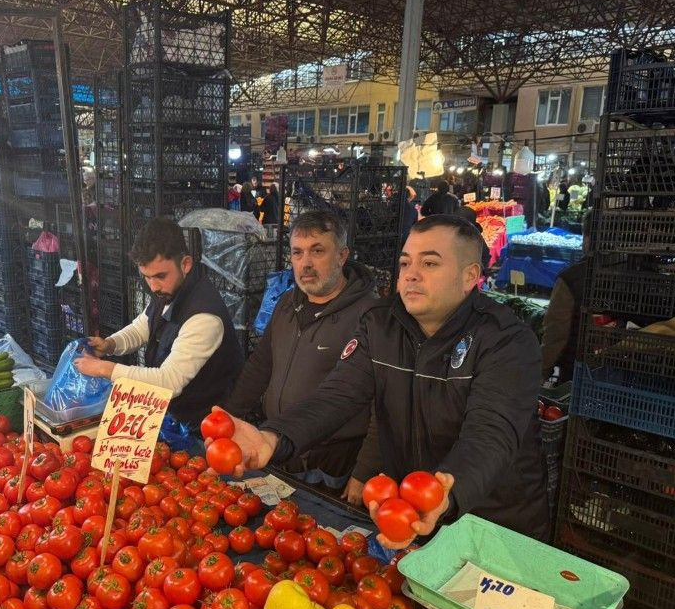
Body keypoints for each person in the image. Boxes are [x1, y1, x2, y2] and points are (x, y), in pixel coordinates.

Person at [218, 214, 550, 545]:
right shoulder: (380, 325)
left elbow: (491, 434)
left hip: (495, 521)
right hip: (411, 513)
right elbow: (337, 395)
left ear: (470, 277)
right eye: (405, 264)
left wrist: (446, 491)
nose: (412, 275)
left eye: (430, 264)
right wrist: (274, 437)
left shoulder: (506, 341)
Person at [221, 210, 379, 489]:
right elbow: (260, 366)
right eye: (297, 253)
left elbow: (382, 403)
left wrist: (364, 471)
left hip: (334, 462)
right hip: (282, 449)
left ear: (342, 255)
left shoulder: (370, 316)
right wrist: (228, 420)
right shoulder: (286, 304)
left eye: (317, 251)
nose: (305, 263)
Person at [73, 218, 244, 429]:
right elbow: (142, 326)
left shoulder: (204, 318)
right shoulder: (171, 290)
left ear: (186, 264)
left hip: (207, 426)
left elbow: (168, 382)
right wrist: (110, 344)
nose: (153, 286)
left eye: (160, 276)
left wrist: (105, 369)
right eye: (146, 277)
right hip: (177, 417)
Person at [541, 209, 592, 383]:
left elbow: (556, 336)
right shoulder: (633, 274)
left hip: (576, 373)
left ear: (587, 239)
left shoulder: (572, 278)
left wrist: (541, 372)